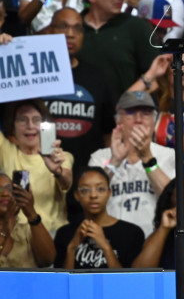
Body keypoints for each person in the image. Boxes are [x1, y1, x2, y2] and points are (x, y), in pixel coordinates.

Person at [88, 92, 175, 236]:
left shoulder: (168, 155)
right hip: (108, 242)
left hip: (153, 242)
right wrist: (114, 162)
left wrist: (147, 158)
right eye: (130, 113)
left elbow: (173, 200)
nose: (138, 120)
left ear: (154, 121)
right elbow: (90, 197)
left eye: (146, 114)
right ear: (118, 120)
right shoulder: (99, 157)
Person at [42, 8, 115, 175]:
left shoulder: (97, 77)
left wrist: (107, 170)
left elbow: (108, 131)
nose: (70, 34)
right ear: (49, 30)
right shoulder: (33, 75)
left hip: (87, 179)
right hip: (41, 174)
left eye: (77, 28)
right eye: (62, 26)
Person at [77, 0, 159, 102]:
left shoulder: (136, 27)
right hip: (81, 116)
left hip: (125, 118)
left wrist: (130, 106)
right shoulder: (74, 28)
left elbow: (156, 80)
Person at [0, 100, 73, 234]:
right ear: (12, 127)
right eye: (22, 120)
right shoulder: (5, 151)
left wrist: (57, 171)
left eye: (36, 120)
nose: (30, 125)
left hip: (52, 235)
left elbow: (67, 181)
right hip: (15, 237)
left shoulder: (60, 156)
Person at [54, 167, 145, 269]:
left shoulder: (131, 233)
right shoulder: (64, 233)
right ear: (77, 195)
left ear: (109, 193)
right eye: (85, 190)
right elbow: (62, 282)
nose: (93, 195)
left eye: (100, 189)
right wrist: (71, 248)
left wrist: (106, 247)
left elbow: (127, 282)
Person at [124, 51, 184, 148]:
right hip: (159, 162)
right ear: (166, 68)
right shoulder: (154, 102)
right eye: (175, 64)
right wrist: (151, 73)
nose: (182, 69)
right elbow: (123, 104)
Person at [0, 172, 55, 268]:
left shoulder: (28, 232)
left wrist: (31, 213)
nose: (4, 193)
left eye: (9, 189)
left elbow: (48, 260)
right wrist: (6, 224)